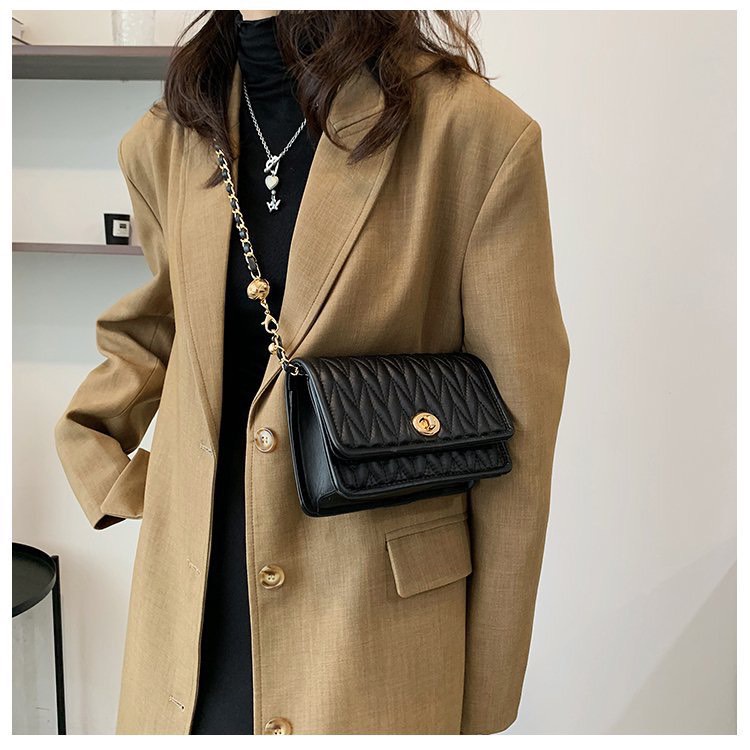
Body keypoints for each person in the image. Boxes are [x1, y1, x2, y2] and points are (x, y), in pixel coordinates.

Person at [54, 9, 571, 735]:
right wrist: (103, 461)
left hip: (372, 634)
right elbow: (160, 325)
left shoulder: (472, 135)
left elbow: (521, 429)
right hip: (189, 631)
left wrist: (484, 690)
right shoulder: (170, 137)